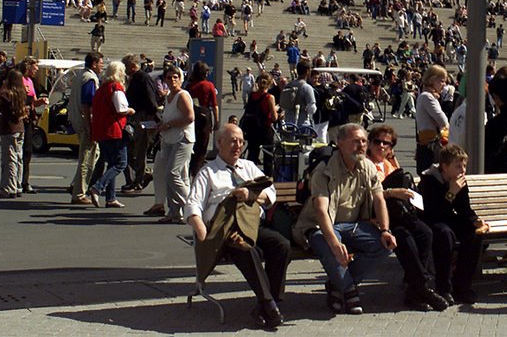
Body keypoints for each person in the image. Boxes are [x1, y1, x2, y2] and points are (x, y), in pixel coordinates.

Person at [185, 123, 291, 329]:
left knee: (281, 245)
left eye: (241, 141)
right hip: (226, 231)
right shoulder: (208, 172)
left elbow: (271, 193)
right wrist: (199, 227)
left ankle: (267, 304)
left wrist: (251, 195)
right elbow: (193, 203)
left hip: (252, 226)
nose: (238, 145)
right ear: (219, 143)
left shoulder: (249, 167)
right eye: (233, 141)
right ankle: (269, 305)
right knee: (245, 250)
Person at [293, 123, 397, 315]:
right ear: (340, 143)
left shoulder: (367, 167)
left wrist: (385, 230)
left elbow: (379, 198)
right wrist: (334, 242)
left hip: (354, 226)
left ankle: (337, 285)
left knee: (385, 246)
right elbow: (321, 211)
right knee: (326, 243)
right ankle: (349, 291)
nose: (362, 146)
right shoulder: (325, 170)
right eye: (356, 141)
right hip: (320, 226)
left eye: (364, 141)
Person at [366, 125, 449, 311]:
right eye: (377, 142)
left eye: (386, 143)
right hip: (377, 217)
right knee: (404, 238)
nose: (381, 146)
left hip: (399, 214)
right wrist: (390, 192)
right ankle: (424, 288)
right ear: (369, 144)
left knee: (425, 233)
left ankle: (415, 291)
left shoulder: (388, 164)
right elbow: (364, 195)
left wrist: (393, 160)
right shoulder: (365, 164)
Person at [419, 143, 488, 304]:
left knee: (473, 234)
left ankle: (462, 286)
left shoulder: (459, 181)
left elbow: (464, 209)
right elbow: (432, 211)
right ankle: (444, 287)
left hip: (448, 217)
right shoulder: (429, 180)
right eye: (458, 166)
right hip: (431, 220)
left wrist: (475, 220)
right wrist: (451, 193)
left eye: (464, 166)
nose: (462, 170)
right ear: (445, 166)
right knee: (445, 235)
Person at [148, 65, 195, 223]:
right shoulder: (169, 96)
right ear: (165, 80)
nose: (173, 80)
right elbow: (169, 117)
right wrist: (160, 125)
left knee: (172, 173)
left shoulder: (182, 95)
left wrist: (168, 125)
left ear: (181, 79)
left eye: (176, 77)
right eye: (169, 77)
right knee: (168, 176)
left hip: (182, 138)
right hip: (168, 138)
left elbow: (189, 117)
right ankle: (174, 211)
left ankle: (191, 205)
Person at [88, 61, 135, 208]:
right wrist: (130, 110)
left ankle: (111, 197)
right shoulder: (116, 88)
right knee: (120, 163)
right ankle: (98, 187)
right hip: (114, 130)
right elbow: (121, 109)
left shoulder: (101, 89)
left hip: (101, 130)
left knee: (111, 163)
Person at [122, 54, 161, 194]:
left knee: (140, 150)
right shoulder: (136, 78)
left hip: (144, 117)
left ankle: (138, 181)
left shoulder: (143, 78)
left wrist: (155, 118)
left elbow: (151, 99)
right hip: (138, 116)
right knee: (133, 149)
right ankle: (143, 174)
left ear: (132, 66)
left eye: (125, 66)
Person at [68, 53, 103, 205]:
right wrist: (90, 125)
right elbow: (87, 104)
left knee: (93, 154)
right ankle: (79, 193)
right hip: (85, 122)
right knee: (87, 158)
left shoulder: (79, 75)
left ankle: (76, 185)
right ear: (94, 63)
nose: (102, 66)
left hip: (76, 119)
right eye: (101, 63)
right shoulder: (90, 78)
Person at [0, 69, 28, 200]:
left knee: (9, 159)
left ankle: (8, 187)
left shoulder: (6, 94)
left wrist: (2, 87)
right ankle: (17, 185)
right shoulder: (21, 92)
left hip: (9, 128)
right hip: (20, 127)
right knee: (18, 158)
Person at [19, 57, 48, 195]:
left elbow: (33, 101)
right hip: (20, 118)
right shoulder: (19, 79)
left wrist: (40, 101)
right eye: (35, 67)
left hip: (29, 118)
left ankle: (25, 181)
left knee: (28, 150)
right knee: (19, 150)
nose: (36, 70)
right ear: (28, 66)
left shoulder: (30, 81)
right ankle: (18, 180)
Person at [414, 65, 450, 175]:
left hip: (425, 142)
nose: (444, 85)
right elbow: (442, 120)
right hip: (431, 145)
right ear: (432, 80)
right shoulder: (427, 97)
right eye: (442, 81)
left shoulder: (425, 95)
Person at [187, 61, 219, 178]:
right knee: (202, 148)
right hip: (205, 116)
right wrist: (217, 121)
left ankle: (189, 171)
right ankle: (196, 173)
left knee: (192, 146)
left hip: (191, 117)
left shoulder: (189, 85)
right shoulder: (209, 85)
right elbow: (214, 105)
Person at [239, 73, 278, 166]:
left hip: (252, 129)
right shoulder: (269, 97)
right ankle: (268, 177)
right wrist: (277, 110)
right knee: (268, 156)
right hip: (265, 129)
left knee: (252, 154)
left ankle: (249, 176)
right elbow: (274, 117)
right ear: (269, 84)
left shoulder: (252, 95)